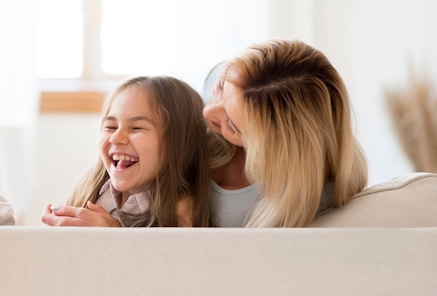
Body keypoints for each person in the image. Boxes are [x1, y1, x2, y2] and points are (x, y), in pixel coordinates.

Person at [203, 39, 368, 227]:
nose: (206, 112)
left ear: (273, 145)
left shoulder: (310, 197)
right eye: (221, 88)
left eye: (231, 125)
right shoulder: (214, 84)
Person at [42, 76, 211, 227]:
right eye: (111, 127)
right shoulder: (90, 189)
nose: (116, 138)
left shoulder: (181, 211)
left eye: (136, 128)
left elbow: (166, 261)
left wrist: (113, 235)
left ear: (178, 142)